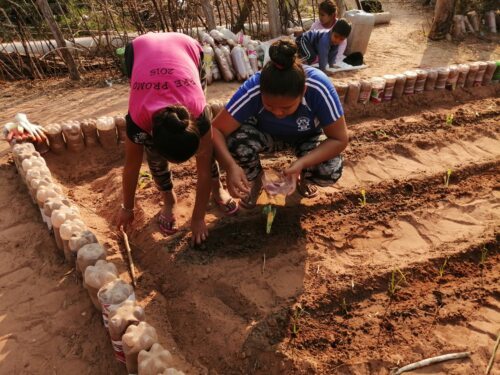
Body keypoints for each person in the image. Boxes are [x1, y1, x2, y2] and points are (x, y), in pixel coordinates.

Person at [116, 32, 237, 244]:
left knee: (207, 157)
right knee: (154, 156)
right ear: (151, 135)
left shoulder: (199, 114)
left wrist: (198, 219)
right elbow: (132, 166)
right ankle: (168, 199)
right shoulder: (138, 120)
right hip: (140, 49)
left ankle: (218, 188)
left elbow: (203, 166)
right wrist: (127, 207)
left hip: (186, 48)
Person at [212, 40, 349, 208]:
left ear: (303, 91)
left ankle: (303, 178)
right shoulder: (253, 89)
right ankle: (256, 180)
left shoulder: (318, 87)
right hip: (267, 136)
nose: (278, 113)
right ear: (260, 91)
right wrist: (230, 166)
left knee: (329, 170)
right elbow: (216, 129)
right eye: (269, 106)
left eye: (286, 107)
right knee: (235, 142)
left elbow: (340, 139)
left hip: (306, 137)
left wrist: (301, 164)